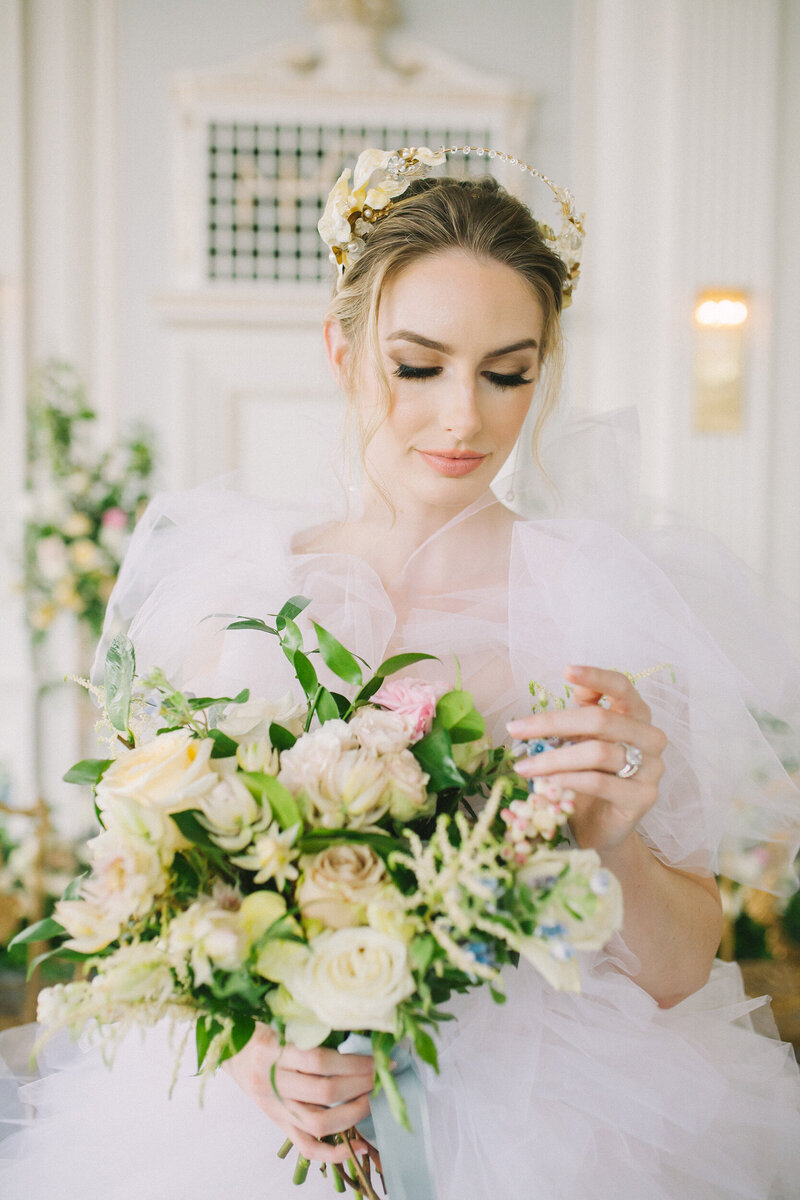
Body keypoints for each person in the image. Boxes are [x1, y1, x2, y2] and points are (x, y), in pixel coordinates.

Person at [1, 146, 799, 1199]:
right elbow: (146, 910)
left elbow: (674, 974)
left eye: (507, 372)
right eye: (416, 365)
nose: (464, 417)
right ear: (340, 349)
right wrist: (255, 1056)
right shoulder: (230, 594)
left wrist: (615, 849)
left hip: (556, 1120)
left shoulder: (599, 602)